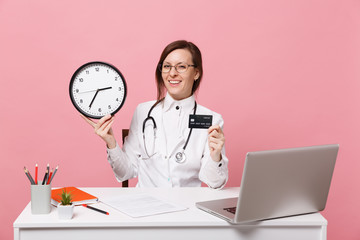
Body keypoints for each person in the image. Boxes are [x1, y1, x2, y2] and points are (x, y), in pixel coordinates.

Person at [82, 40, 228, 188]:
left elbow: (214, 183)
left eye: (181, 67)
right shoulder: (143, 112)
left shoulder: (212, 120)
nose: (172, 73)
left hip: (186, 205)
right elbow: (125, 172)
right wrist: (111, 142)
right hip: (146, 204)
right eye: (167, 66)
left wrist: (216, 157)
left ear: (196, 73)